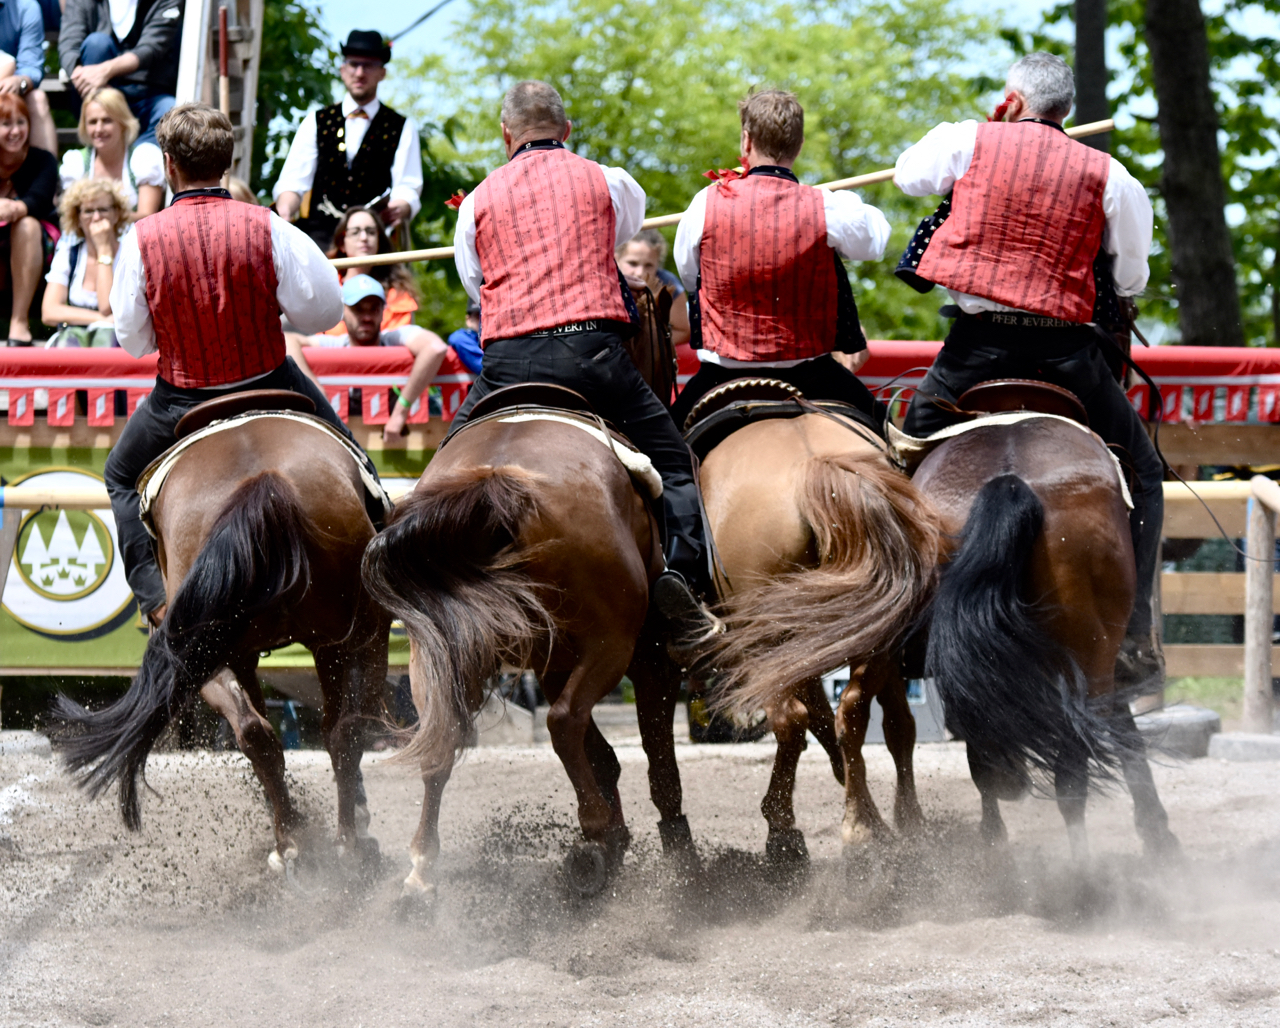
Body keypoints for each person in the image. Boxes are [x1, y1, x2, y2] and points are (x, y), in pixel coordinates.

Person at [893, 52, 1161, 692]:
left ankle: (894, 625)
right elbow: (1131, 278)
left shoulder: (967, 140)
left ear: (1011, 99)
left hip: (973, 353)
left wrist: (983, 133)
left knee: (892, 466)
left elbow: (907, 176)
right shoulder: (1110, 174)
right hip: (1066, 357)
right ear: (1066, 109)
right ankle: (1134, 631)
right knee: (1146, 474)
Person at [451, 79, 718, 647]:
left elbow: (475, 284)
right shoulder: (610, 180)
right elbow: (622, 230)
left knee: (445, 473)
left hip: (507, 365)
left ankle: (425, 572)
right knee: (675, 462)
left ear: (505, 135)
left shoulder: (476, 201)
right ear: (567, 131)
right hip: (592, 358)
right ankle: (682, 583)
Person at [106, 103, 375, 624]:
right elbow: (323, 314)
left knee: (119, 475)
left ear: (168, 165)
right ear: (226, 163)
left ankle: (156, 602)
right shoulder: (271, 227)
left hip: (182, 397)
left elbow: (132, 341)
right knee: (355, 463)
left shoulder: (141, 239)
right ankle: (380, 559)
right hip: (272, 380)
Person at [671, 90, 890, 430]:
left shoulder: (704, 202)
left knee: (663, 453)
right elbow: (875, 243)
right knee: (890, 437)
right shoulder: (827, 206)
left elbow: (691, 276)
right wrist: (843, 199)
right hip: (812, 376)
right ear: (799, 145)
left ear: (746, 141)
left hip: (722, 376)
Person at [273, 30, 423, 248]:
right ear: (343, 70)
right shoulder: (316, 121)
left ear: (382, 73)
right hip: (318, 242)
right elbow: (293, 183)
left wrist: (402, 205)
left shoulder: (401, 126)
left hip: (371, 243)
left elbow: (407, 187)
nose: (360, 73)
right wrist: (285, 210)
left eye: (368, 65)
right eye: (353, 64)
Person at [286, 274, 449, 442]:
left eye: (374, 308)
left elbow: (435, 348)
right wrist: (316, 389)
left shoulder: (394, 338)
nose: (367, 317)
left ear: (384, 311)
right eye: (358, 309)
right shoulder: (334, 344)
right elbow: (287, 340)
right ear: (342, 312)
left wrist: (400, 412)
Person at [58, 0, 182, 147]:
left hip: (146, 94)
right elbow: (69, 44)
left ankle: (138, 156)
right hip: (96, 95)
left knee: (170, 112)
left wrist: (105, 71)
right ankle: (100, 145)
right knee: (96, 44)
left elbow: (153, 46)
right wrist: (80, 74)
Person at [0, 92, 56, 346]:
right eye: (6, 124)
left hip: (37, 242)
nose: (15, 131)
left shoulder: (42, 160)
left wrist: (13, 208)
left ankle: (19, 322)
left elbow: (39, 201)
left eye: (21, 122)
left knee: (27, 225)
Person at [42, 177, 130, 339]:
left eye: (103, 210)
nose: (96, 217)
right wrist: (100, 320)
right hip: (74, 338)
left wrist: (103, 249)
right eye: (88, 211)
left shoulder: (128, 254)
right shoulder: (69, 253)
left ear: (116, 214)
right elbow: (49, 312)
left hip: (115, 340)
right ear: (78, 218)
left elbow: (106, 307)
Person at [58, 87, 165, 217]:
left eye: (107, 121)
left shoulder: (143, 158)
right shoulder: (76, 162)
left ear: (122, 123)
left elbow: (147, 216)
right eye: (92, 122)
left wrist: (108, 221)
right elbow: (71, 218)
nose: (99, 129)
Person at [319, 204, 418, 335]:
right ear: (342, 243)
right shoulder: (324, 289)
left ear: (379, 241)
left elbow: (399, 340)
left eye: (371, 232)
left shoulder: (398, 295)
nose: (364, 238)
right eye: (355, 232)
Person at [617, 228, 690, 348]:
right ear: (616, 259)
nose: (640, 273)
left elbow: (683, 331)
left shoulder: (668, 285)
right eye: (632, 263)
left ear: (658, 264)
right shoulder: (602, 283)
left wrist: (644, 347)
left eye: (649, 265)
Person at [0, 0, 55, 153]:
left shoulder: (25, 7)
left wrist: (19, 81)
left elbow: (30, 66)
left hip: (11, 91)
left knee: (37, 99)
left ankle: (45, 167)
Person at [446, 299, 483, 374]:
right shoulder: (461, 338)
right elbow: (485, 368)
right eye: (478, 316)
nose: (483, 320)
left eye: (487, 316)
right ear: (468, 320)